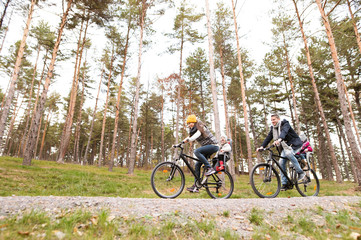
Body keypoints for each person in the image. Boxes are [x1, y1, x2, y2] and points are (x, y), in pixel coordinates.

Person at [256, 114, 306, 191]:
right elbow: (269, 137)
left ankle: (300, 172)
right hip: (286, 147)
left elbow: (284, 132)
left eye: (274, 119)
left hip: (295, 144)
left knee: (289, 154)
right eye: (271, 120)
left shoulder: (285, 123)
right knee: (281, 162)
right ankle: (285, 184)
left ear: (278, 119)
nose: (272, 121)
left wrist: (279, 139)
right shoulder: (273, 128)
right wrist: (262, 146)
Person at [182, 114, 219, 193]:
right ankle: (196, 186)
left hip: (213, 146)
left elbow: (194, 136)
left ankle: (209, 168)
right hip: (207, 148)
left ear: (194, 122)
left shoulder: (200, 127)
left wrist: (187, 140)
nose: (189, 125)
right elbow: (189, 137)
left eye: (191, 123)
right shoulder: (193, 130)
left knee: (197, 151)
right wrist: (180, 143)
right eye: (188, 123)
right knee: (197, 165)